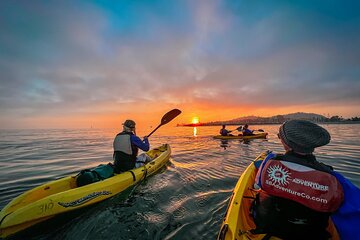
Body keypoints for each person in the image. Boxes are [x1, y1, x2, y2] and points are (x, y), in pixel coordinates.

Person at [251, 120, 344, 240]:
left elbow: (260, 184)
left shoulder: (271, 165)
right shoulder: (327, 173)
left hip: (273, 229)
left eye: (280, 137)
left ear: (287, 144)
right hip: (313, 234)